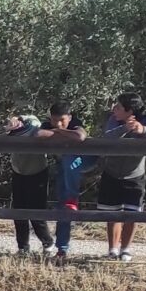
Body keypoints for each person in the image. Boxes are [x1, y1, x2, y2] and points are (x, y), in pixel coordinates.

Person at [99, 92, 146, 260]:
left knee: (132, 214)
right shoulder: (113, 120)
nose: (114, 109)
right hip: (111, 172)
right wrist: (124, 128)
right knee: (112, 213)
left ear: (130, 110)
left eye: (118, 107)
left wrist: (143, 129)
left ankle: (125, 249)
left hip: (135, 174)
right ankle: (112, 250)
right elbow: (106, 137)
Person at [0, 110, 56, 256]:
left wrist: (20, 119)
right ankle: (23, 247)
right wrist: (14, 121)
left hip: (37, 173)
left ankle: (47, 243)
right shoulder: (13, 130)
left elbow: (34, 121)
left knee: (37, 212)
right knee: (18, 212)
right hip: (18, 172)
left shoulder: (35, 126)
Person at [40, 106, 89, 261]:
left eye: (62, 120)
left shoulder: (76, 122)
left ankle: (72, 199)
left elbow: (80, 136)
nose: (59, 124)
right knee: (63, 206)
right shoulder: (47, 124)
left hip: (83, 159)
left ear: (70, 117)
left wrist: (57, 132)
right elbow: (39, 134)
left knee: (68, 162)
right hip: (64, 167)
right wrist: (64, 133)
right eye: (55, 120)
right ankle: (62, 249)